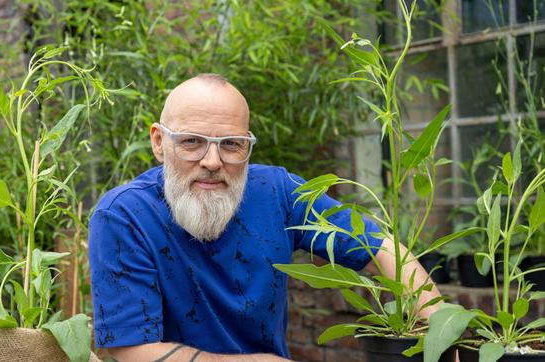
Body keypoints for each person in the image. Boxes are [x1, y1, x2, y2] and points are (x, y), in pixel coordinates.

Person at [88, 73, 441, 362]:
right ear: (158, 142)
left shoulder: (278, 191)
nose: (212, 161)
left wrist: (444, 326)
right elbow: (132, 349)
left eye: (231, 144)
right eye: (192, 141)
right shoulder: (123, 215)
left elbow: (380, 247)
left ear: (247, 145)